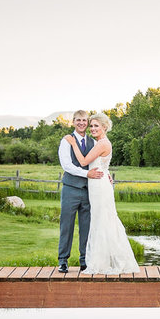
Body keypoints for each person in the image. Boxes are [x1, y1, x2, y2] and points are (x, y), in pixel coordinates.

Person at [64, 113, 140, 274]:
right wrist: (107, 173)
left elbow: (84, 161)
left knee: (102, 220)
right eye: (91, 125)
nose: (92, 128)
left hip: (99, 186)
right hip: (98, 183)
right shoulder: (100, 143)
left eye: (96, 125)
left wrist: (73, 143)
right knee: (100, 220)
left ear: (104, 127)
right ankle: (101, 260)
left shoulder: (101, 144)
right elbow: (102, 164)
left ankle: (104, 262)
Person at [57, 110, 105, 273]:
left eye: (84, 120)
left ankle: (85, 259)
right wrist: (86, 173)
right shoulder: (66, 141)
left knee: (87, 226)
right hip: (70, 189)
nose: (82, 123)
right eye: (78, 120)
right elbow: (67, 166)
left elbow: (99, 163)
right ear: (73, 122)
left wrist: (106, 175)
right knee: (67, 226)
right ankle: (63, 260)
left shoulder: (93, 142)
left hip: (88, 191)